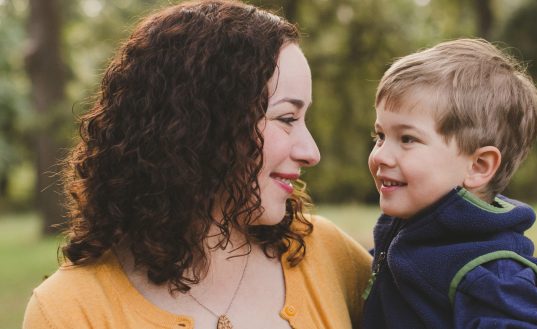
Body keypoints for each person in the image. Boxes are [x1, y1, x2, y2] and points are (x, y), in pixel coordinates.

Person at [22, 1, 372, 328]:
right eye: (287, 117)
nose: (311, 152)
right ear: (204, 126)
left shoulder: (328, 255)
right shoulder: (68, 310)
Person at [362, 38, 537, 328]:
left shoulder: (494, 277)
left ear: (478, 166)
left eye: (407, 139)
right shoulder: (408, 233)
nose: (380, 155)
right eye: (380, 136)